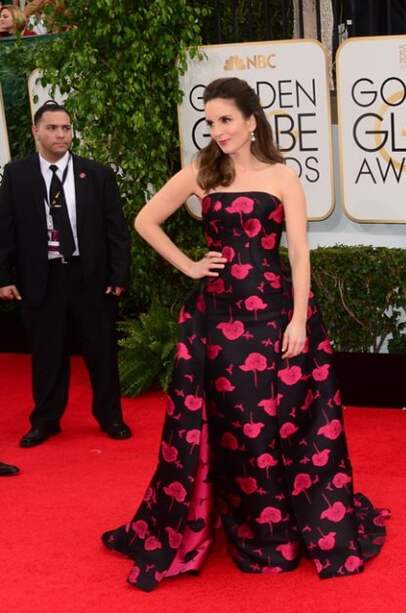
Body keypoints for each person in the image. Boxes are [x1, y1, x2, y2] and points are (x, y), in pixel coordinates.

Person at [103, 77, 388, 591]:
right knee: (239, 426)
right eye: (210, 122)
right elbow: (146, 220)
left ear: (252, 120)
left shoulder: (282, 176)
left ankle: (290, 524)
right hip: (218, 319)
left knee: (289, 422)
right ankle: (259, 532)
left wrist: (299, 318)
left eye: (226, 120)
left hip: (277, 315)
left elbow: (299, 252)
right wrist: (190, 266)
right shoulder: (201, 172)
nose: (217, 131)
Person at [0, 101, 132, 447]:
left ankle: (110, 417)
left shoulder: (98, 174)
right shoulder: (17, 174)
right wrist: (4, 276)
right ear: (36, 132)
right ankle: (45, 420)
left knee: (101, 352)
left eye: (67, 128)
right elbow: (5, 229)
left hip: (90, 277)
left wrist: (119, 276)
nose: (62, 134)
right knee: (47, 355)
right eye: (54, 128)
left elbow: (116, 230)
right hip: (41, 277)